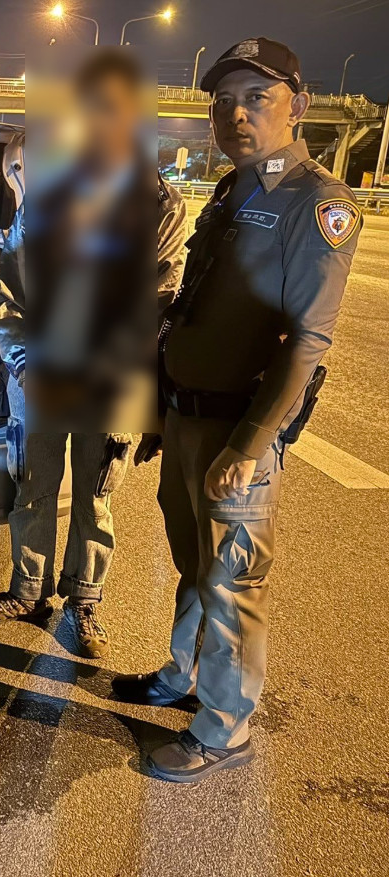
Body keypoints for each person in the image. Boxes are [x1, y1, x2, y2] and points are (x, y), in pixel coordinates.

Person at [113, 38, 361, 782]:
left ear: (299, 105)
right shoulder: (232, 190)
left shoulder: (317, 203)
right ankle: (183, 675)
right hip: (188, 417)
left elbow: (307, 341)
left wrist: (251, 443)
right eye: (224, 101)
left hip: (236, 430)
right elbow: (193, 309)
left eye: (257, 97)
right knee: (194, 563)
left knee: (233, 580)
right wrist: (160, 411)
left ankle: (224, 728)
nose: (236, 114)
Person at [0, 51, 187, 659]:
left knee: (95, 495)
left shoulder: (159, 203)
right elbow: (7, 290)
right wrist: (23, 363)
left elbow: (161, 297)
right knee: (33, 487)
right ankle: (27, 591)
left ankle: (85, 601)